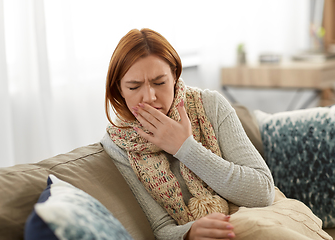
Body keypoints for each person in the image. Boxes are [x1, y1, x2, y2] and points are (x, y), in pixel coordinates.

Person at [101, 28, 275, 240]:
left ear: (174, 75)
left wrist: (186, 148)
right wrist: (189, 233)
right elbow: (161, 229)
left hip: (257, 220)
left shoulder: (211, 105)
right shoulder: (118, 144)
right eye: (134, 86)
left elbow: (263, 192)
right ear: (119, 89)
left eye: (159, 82)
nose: (150, 97)